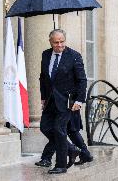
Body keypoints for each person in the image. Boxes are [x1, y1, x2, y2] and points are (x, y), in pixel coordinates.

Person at [38, 29, 87, 174]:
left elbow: (82, 80)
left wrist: (79, 100)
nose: (59, 45)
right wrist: (43, 97)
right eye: (56, 42)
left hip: (67, 101)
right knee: (45, 127)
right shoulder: (45, 54)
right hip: (50, 100)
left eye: (62, 42)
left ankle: (61, 165)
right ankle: (71, 149)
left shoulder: (74, 56)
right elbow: (43, 77)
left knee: (60, 130)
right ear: (50, 42)